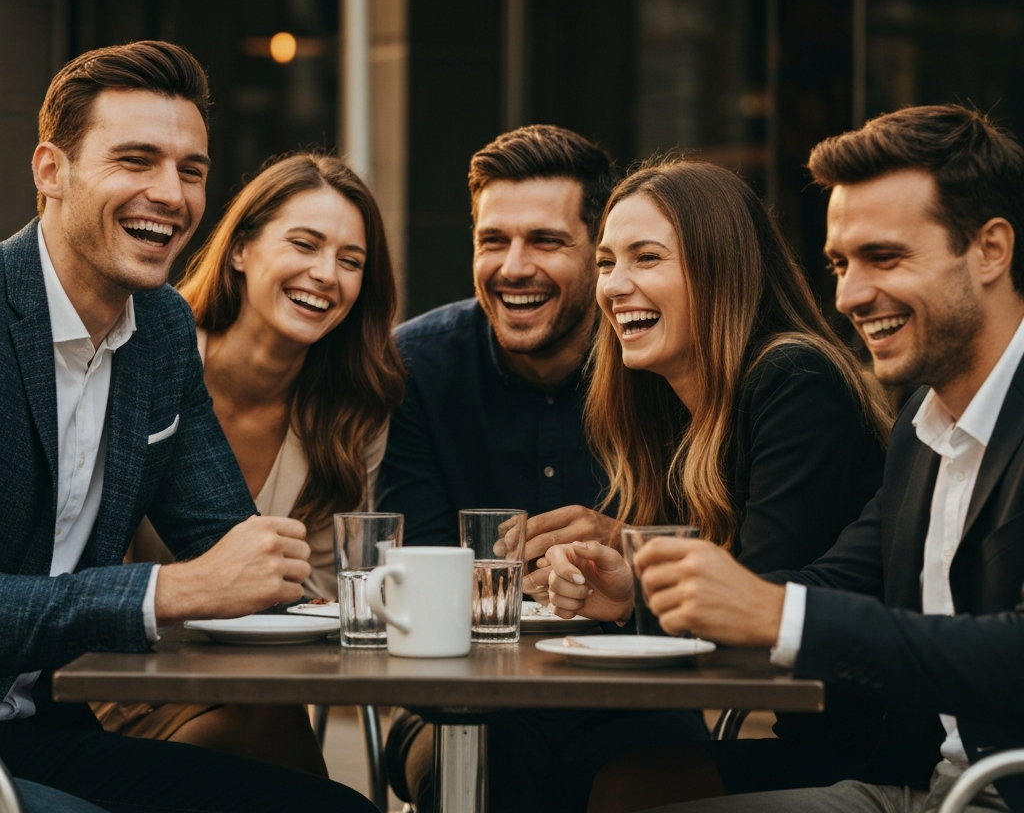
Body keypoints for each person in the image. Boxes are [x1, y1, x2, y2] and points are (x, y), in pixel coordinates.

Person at [0, 41, 376, 813]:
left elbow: (225, 538)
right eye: (135, 160)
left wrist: (399, 601)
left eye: (191, 170)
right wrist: (165, 591)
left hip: (41, 732)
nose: (169, 194)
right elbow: (196, 576)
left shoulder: (163, 329)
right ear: (50, 171)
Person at [625, 105, 1024, 813]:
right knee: (630, 790)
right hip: (919, 782)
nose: (848, 296)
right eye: (840, 263)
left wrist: (779, 616)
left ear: (991, 249)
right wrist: (642, 595)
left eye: (885, 257)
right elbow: (836, 582)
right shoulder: (923, 427)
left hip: (988, 790)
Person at [539, 159, 890, 812]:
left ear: (721, 268)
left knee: (616, 780)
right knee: (563, 759)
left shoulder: (795, 379)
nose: (616, 285)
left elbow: (758, 594)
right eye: (608, 262)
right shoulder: (675, 407)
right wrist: (623, 592)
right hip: (825, 736)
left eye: (647, 258)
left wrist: (638, 591)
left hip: (882, 750)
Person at [91, 153, 405, 773]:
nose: (326, 275)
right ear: (240, 250)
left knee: (262, 728)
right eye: (305, 244)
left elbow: (322, 590)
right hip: (121, 672)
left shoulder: (353, 410)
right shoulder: (144, 354)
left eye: (350, 261)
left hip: (263, 680)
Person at [378, 124, 632, 810]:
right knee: (488, 770)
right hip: (451, 702)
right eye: (493, 241)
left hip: (629, 700)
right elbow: (418, 574)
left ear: (598, 254)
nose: (513, 267)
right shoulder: (417, 367)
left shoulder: (649, 361)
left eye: (546, 241)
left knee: (641, 785)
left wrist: (627, 550)